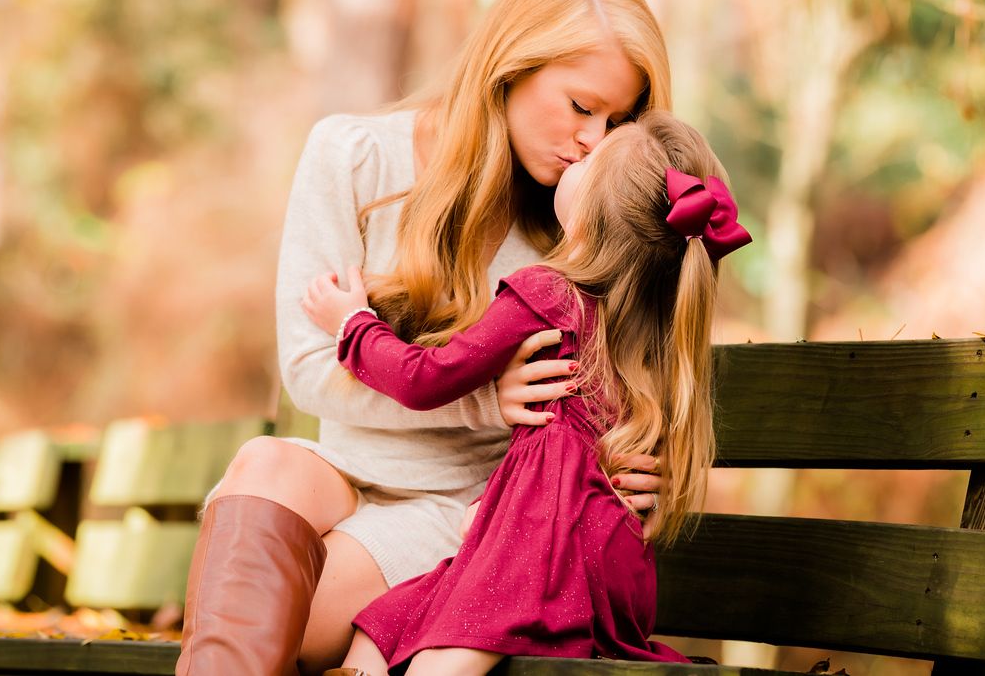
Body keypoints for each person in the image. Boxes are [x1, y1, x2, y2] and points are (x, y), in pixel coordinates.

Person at [175, 0, 673, 676]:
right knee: (266, 462)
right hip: (346, 463)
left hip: (463, 512)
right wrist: (481, 401)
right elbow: (309, 369)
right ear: (511, 64)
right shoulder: (352, 154)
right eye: (580, 106)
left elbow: (622, 390)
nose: (595, 141)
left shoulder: (581, 228)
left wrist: (634, 473)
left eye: (618, 120)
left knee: (275, 624)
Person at [302, 112, 751, 675]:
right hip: (592, 551)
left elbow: (427, 378)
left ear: (590, 213)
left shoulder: (548, 291)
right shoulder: (650, 327)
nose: (580, 148)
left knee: (439, 662)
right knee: (386, 624)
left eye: (592, 158)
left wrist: (354, 325)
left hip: (543, 547)